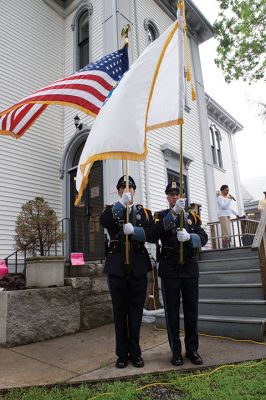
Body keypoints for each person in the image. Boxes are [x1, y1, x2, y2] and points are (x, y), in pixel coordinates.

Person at [151, 181, 208, 366]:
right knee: (172, 312)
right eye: (171, 194)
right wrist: (174, 213)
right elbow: (155, 233)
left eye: (177, 194)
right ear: (167, 197)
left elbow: (204, 238)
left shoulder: (192, 217)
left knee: (192, 311)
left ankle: (192, 350)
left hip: (189, 268)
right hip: (170, 268)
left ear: (181, 196)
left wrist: (191, 238)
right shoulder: (160, 216)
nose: (174, 197)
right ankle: (175, 352)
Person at [100, 175, 153, 369]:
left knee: (136, 313)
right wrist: (120, 205)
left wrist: (136, 232)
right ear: (118, 191)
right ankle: (122, 354)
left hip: (138, 267)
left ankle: (135, 352)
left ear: (135, 191)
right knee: (120, 313)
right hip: (117, 268)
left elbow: (152, 233)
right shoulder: (111, 210)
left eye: (130, 187)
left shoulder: (144, 212)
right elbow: (104, 221)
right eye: (123, 188)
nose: (127, 190)